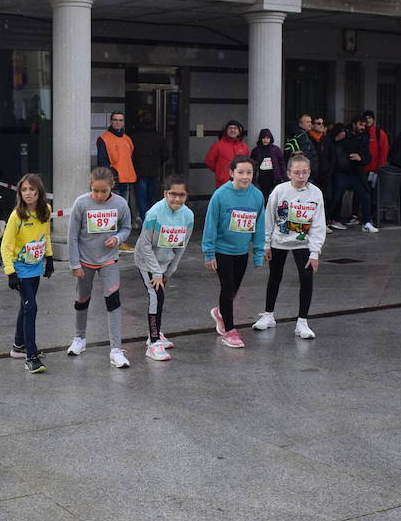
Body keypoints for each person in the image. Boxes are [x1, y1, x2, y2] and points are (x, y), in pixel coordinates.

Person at [66, 166, 133, 369]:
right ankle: (80, 339)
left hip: (109, 260)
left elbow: (126, 228)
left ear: (112, 187)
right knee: (82, 300)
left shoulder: (121, 204)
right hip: (85, 261)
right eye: (95, 190)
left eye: (104, 191)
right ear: (90, 186)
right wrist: (74, 264)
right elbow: (72, 236)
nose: (99, 195)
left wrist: (117, 238)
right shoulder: (81, 203)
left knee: (113, 301)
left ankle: (116, 349)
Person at [253, 153, 326, 339]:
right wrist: (266, 243)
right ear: (288, 173)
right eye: (296, 172)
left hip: (304, 243)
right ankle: (268, 314)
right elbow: (268, 217)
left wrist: (315, 252)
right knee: (274, 276)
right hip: (280, 240)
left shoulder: (316, 193)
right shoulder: (279, 191)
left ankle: (302, 321)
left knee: (306, 278)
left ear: (309, 172)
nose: (301, 176)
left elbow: (318, 223)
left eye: (304, 172)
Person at [202, 155, 266, 349]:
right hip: (222, 250)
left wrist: (258, 252)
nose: (245, 177)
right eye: (241, 172)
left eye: (249, 172)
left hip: (241, 251)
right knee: (228, 287)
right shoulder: (220, 195)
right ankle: (230, 331)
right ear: (231, 173)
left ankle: (221, 313)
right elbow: (210, 224)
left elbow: (260, 225)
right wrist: (209, 253)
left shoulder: (257, 195)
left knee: (233, 289)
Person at [133, 174, 194, 362]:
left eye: (181, 195)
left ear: (187, 195)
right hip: (147, 261)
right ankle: (153, 342)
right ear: (165, 193)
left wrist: (170, 271)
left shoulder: (188, 215)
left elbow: (181, 247)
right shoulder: (154, 214)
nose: (177, 199)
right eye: (172, 194)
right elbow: (144, 245)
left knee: (159, 297)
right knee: (156, 296)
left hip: (165, 263)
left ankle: (156, 332)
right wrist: (157, 272)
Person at [2, 173, 54, 374]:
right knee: (31, 307)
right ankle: (30, 356)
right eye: (24, 190)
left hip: (36, 266)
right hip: (20, 267)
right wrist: (10, 272)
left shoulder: (45, 211)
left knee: (26, 306)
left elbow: (45, 235)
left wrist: (49, 258)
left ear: (39, 192)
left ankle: (18, 346)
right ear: (20, 193)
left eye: (32, 189)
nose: (28, 193)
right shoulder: (17, 215)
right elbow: (5, 246)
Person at [333, 117, 378, 233]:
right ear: (354, 124)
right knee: (336, 196)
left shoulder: (364, 137)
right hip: (342, 172)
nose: (362, 127)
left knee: (365, 195)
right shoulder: (344, 134)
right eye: (360, 125)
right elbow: (334, 147)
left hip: (357, 173)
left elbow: (368, 156)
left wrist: (361, 158)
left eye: (364, 125)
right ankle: (332, 219)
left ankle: (367, 222)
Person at [130, 116, 167, 231]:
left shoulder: (134, 138)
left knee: (141, 198)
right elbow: (166, 155)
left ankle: (146, 222)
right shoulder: (159, 137)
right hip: (154, 171)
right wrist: (158, 163)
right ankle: (152, 222)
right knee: (153, 198)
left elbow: (130, 155)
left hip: (139, 171)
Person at [96, 110, 137, 202]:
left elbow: (130, 157)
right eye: (115, 120)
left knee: (123, 207)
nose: (118, 122)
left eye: (120, 120)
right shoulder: (104, 139)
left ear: (123, 122)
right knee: (113, 207)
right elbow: (101, 161)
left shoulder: (127, 139)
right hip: (113, 178)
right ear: (111, 122)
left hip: (126, 179)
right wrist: (111, 173)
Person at [362, 110, 390, 220]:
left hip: (374, 170)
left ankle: (372, 215)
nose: (368, 120)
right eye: (366, 118)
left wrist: (380, 168)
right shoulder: (361, 132)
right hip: (362, 169)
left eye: (370, 117)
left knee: (373, 194)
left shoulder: (379, 133)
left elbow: (384, 151)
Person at [204, 119, 249, 187]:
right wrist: (220, 172)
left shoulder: (244, 147)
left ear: (239, 132)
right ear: (226, 131)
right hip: (223, 183)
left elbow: (247, 163)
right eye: (230, 128)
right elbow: (209, 161)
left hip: (240, 182)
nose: (232, 130)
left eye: (235, 128)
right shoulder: (217, 145)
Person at [251, 128, 285, 197]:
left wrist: (284, 175)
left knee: (276, 194)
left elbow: (281, 162)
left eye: (267, 138)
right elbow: (252, 164)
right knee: (264, 194)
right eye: (263, 138)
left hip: (274, 176)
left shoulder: (275, 149)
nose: (265, 140)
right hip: (262, 176)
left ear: (270, 138)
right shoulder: (256, 150)